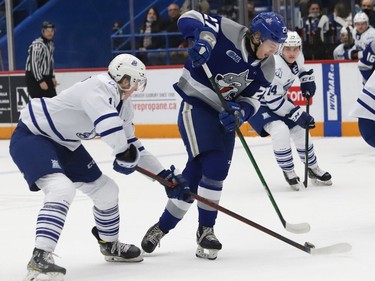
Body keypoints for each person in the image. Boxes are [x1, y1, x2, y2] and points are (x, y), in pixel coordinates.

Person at [9, 54, 190, 281]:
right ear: (124, 79)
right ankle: (40, 258)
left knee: (107, 190)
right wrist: (122, 151)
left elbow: (134, 145)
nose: (136, 87)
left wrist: (165, 176)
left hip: (66, 145)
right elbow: (108, 124)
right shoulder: (99, 87)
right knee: (61, 189)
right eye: (136, 81)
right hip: (33, 136)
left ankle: (109, 244)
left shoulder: (124, 105)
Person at [140, 10, 288, 260]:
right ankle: (206, 230)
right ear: (257, 36)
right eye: (272, 45)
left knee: (197, 174)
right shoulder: (229, 30)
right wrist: (202, 40)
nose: (273, 51)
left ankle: (163, 227)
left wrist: (240, 112)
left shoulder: (268, 66)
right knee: (214, 165)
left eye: (277, 47)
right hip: (195, 104)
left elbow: (252, 100)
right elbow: (191, 16)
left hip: (224, 117)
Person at [248, 31, 332, 191]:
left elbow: (301, 68)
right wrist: (298, 113)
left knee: (300, 129)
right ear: (281, 49)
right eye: (288, 49)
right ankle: (289, 171)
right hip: (256, 103)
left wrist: (306, 79)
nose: (292, 53)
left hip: (278, 99)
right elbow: (273, 102)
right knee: (280, 130)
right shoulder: (276, 67)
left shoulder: (298, 57)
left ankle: (312, 167)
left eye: (296, 48)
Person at [25, 21, 58, 98]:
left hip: (46, 77)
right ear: (43, 31)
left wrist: (52, 77)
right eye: (47, 31)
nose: (50, 33)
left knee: (52, 102)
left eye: (52, 31)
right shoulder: (38, 44)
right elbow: (34, 63)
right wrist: (40, 81)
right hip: (34, 77)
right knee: (39, 104)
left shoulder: (50, 45)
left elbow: (50, 61)